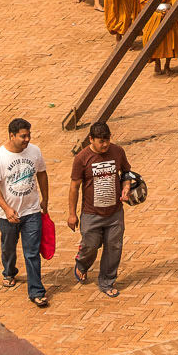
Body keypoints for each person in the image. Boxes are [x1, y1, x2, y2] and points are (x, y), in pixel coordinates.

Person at [0, 118, 49, 308]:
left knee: (32, 252)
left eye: (29, 135)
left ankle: (36, 291)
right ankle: (9, 271)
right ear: (12, 135)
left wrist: (45, 198)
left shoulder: (35, 152)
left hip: (31, 211)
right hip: (7, 215)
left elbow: (42, 173)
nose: (27, 139)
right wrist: (6, 208)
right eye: (23, 136)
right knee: (9, 247)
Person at [69, 121, 131, 299]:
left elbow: (126, 173)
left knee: (114, 247)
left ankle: (107, 282)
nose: (105, 145)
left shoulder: (118, 151)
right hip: (91, 213)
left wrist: (126, 187)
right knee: (90, 245)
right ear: (91, 139)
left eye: (107, 140)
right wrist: (72, 214)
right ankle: (82, 264)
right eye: (100, 141)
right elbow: (74, 187)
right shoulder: (82, 158)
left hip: (114, 212)